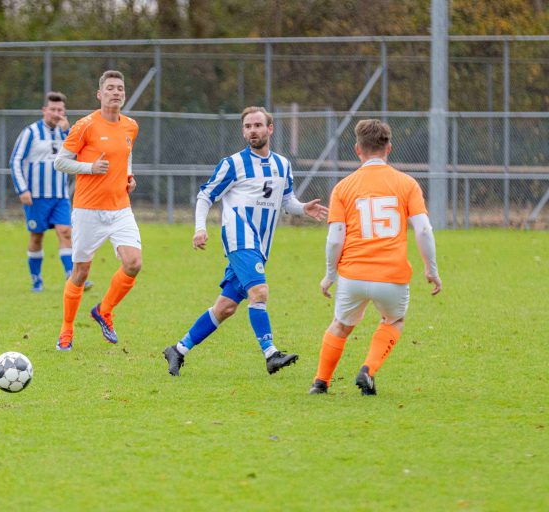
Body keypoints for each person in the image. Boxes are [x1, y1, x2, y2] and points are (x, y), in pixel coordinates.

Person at [162, 106, 328, 376]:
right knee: (259, 292)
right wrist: (199, 228)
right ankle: (271, 353)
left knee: (226, 307)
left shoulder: (282, 164)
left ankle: (178, 350)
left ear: (270, 129)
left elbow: (286, 200)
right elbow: (206, 195)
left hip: (261, 244)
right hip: (239, 236)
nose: (252, 131)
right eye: (248, 127)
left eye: (258, 125)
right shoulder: (233, 163)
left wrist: (303, 208)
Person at [309, 119, 442, 396]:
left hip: (352, 274)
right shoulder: (406, 184)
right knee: (394, 321)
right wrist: (431, 269)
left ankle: (320, 382)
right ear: (389, 148)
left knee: (341, 325)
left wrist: (330, 274)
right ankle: (368, 370)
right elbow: (424, 230)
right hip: (392, 276)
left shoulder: (343, 188)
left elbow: (335, 237)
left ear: (358, 149)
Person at [52, 70, 140, 351]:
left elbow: (125, 156)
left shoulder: (131, 126)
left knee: (133, 263)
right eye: (110, 88)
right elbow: (60, 163)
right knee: (80, 271)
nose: (116, 92)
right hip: (88, 210)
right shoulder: (85, 125)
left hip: (120, 208)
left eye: (120, 88)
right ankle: (66, 329)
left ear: (124, 95)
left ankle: (104, 310)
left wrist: (129, 175)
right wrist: (89, 168)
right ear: (100, 95)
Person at [9, 91, 92, 292]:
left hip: (60, 196)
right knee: (37, 236)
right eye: (53, 109)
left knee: (66, 232)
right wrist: (22, 189)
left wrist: (68, 131)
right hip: (36, 196)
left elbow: (80, 155)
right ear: (44, 110)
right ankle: (36, 280)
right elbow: (15, 161)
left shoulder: (67, 133)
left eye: (60, 110)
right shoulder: (31, 132)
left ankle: (72, 278)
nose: (56, 113)